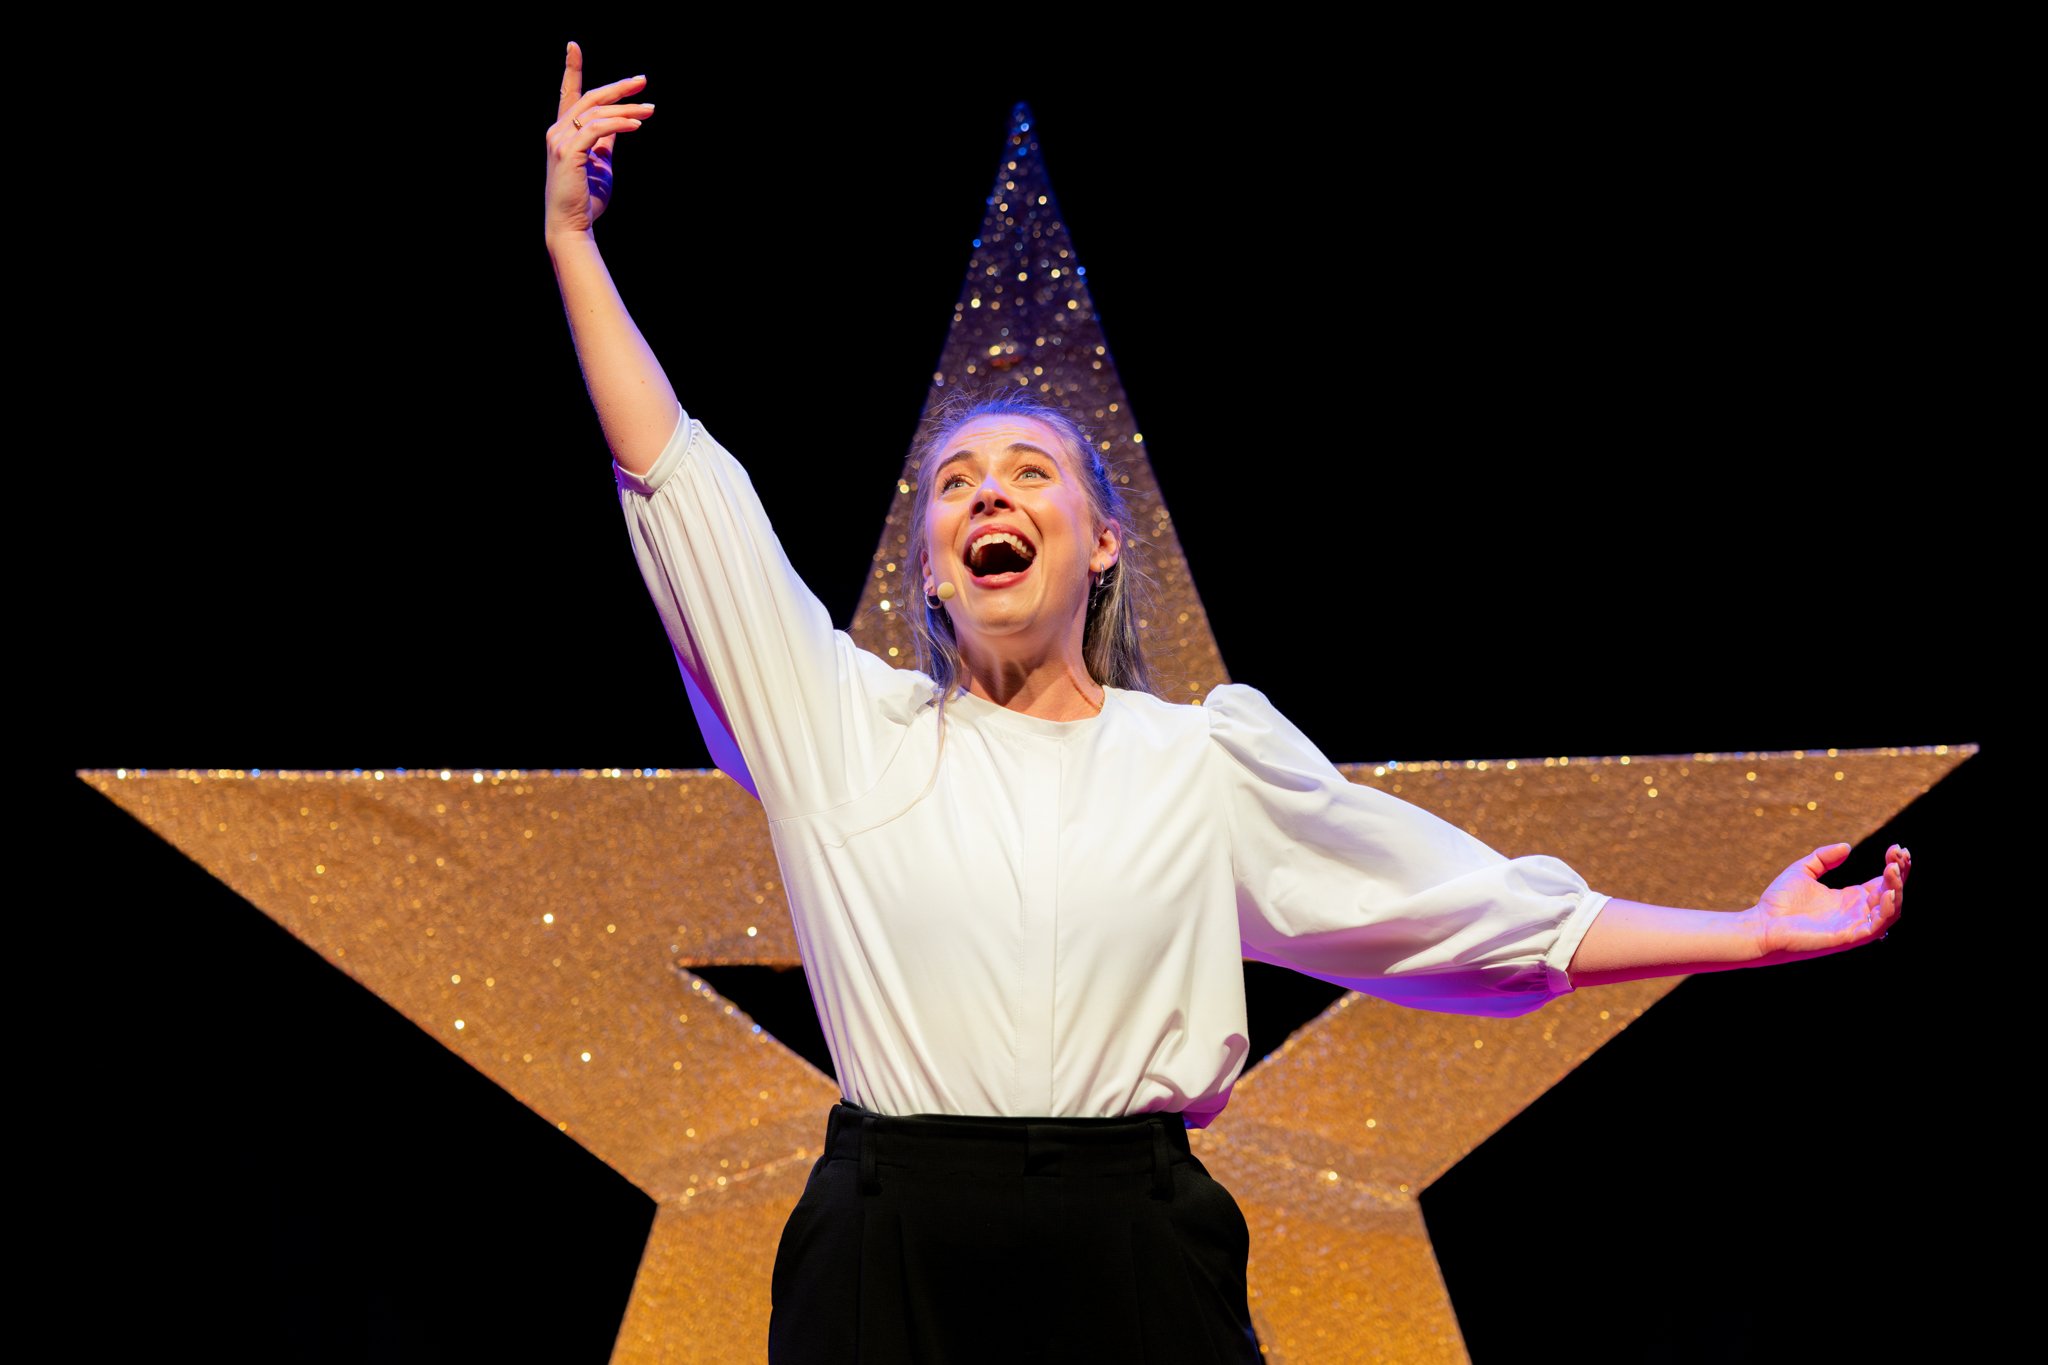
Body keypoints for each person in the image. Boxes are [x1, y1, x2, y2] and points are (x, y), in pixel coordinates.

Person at [544, 43, 1909, 1364]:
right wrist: (574, 245)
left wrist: (1745, 934)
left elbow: (1476, 912)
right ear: (932, 577)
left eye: (1029, 471)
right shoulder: (838, 727)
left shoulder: (1199, 762)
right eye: (956, 483)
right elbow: (684, 480)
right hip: (889, 1252)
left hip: (1130, 1251)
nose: (989, 496)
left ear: (1100, 541)